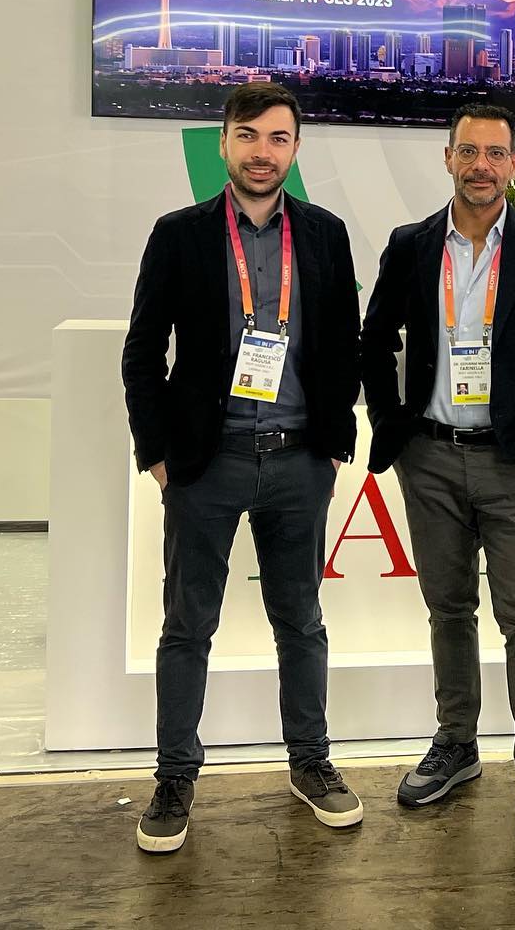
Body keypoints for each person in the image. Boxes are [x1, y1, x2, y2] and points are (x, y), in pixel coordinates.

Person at [121, 82, 363, 853]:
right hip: (206, 465)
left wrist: (333, 444)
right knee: (187, 627)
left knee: (302, 623)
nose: (263, 152)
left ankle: (310, 763)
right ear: (225, 143)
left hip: (299, 463)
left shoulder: (324, 235)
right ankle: (174, 778)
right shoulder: (180, 235)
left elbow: (346, 345)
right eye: (249, 136)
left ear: (296, 148)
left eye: (278, 138)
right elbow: (141, 353)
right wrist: (158, 456)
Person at [360, 103, 515, 844]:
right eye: (469, 151)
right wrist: (394, 427)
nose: (481, 166)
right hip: (430, 459)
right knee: (449, 610)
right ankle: (457, 745)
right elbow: (375, 340)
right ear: (448, 158)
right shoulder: (410, 245)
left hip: (514, 463)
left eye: (496, 153)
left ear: (514, 165)